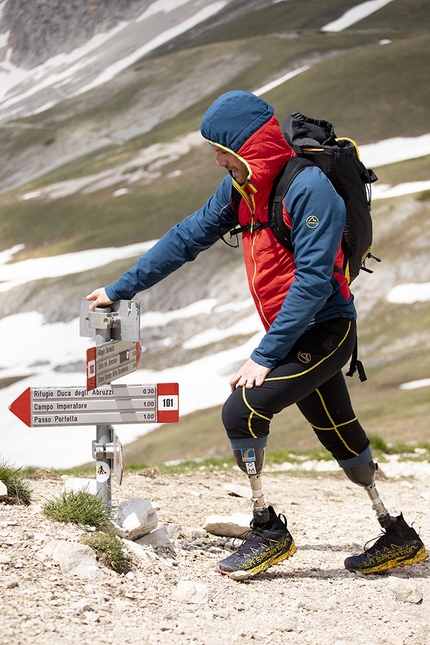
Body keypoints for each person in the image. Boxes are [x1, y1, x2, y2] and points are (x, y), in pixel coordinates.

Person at [86, 90, 427, 579]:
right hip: (293, 334)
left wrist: (265, 356)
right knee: (338, 432)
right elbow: (186, 238)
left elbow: (313, 281)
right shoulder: (242, 189)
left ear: (249, 147)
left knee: (242, 409)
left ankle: (267, 529)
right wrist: (120, 288)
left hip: (325, 331)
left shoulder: (309, 189)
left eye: (222, 150)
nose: (218, 160)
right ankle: (398, 535)